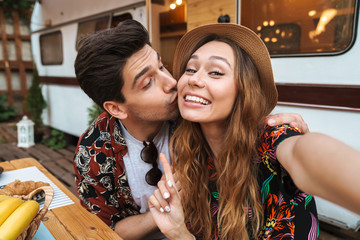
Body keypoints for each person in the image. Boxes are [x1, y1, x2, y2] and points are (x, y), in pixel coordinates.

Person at [73, 19, 311, 239]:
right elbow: (104, 229)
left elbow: (250, 129)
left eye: (162, 66)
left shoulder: (191, 117)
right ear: (116, 108)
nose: (172, 83)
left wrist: (276, 129)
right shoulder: (94, 151)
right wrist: (160, 214)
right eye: (148, 83)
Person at [148, 23, 360, 240]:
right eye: (190, 69)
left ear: (244, 90)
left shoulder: (271, 138)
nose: (194, 79)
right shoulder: (192, 155)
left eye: (216, 72)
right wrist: (179, 233)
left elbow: (305, 154)